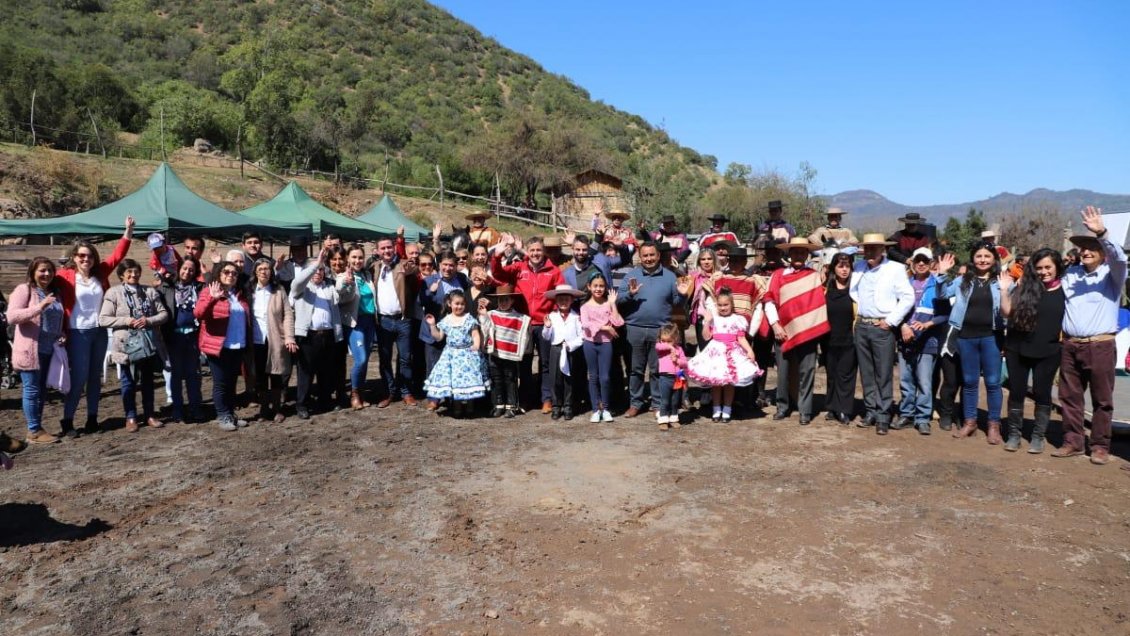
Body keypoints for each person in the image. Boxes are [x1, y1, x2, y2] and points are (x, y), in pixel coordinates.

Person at [1052, 206, 1127, 464]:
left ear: (1102, 253)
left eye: (1091, 247)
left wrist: (1103, 232)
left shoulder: (1112, 275)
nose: (1085, 251)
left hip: (1100, 345)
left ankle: (1099, 446)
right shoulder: (1071, 275)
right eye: (1082, 247)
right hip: (1071, 344)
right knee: (1069, 396)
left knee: (1102, 399)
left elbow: (1120, 259)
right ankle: (1073, 441)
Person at [56, 216, 134, 436]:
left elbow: (118, 256)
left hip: (99, 331)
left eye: (89, 255)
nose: (85, 259)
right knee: (79, 378)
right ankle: (68, 421)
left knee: (95, 378)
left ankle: (92, 419)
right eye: (81, 255)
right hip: (76, 332)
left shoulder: (100, 273)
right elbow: (41, 281)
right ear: (74, 257)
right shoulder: (64, 276)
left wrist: (128, 231)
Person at [999, 248, 1065, 453]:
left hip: (1049, 350)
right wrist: (1003, 291)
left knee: (1042, 392)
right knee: (1017, 390)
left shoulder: (1067, 290)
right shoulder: (1024, 286)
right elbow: (1007, 312)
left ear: (1057, 267)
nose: (1044, 272)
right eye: (1039, 268)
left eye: (1048, 267)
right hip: (1017, 348)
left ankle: (1038, 435)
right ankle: (1014, 434)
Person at [938, 244, 1006, 442]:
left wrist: (1006, 290)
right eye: (978, 256)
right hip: (966, 337)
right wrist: (942, 274)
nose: (983, 260)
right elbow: (943, 295)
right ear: (972, 258)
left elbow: (1010, 307)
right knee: (969, 382)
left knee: (993, 382)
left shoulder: (1001, 281)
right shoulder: (962, 280)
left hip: (991, 337)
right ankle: (970, 422)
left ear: (994, 259)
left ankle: (994, 425)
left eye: (987, 256)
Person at [491, 234, 564, 413]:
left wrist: (554, 315)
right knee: (524, 363)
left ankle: (546, 399)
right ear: (527, 252)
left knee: (546, 363)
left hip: (544, 323)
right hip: (523, 323)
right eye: (532, 250)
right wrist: (497, 256)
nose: (535, 253)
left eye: (539, 250)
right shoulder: (519, 268)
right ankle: (525, 399)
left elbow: (560, 294)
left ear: (543, 251)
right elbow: (499, 274)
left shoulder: (553, 271)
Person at [617, 242, 691, 417]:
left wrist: (682, 294)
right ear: (640, 257)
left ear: (658, 256)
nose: (649, 259)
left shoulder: (669, 277)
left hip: (660, 332)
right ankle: (635, 403)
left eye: (652, 255)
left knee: (658, 369)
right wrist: (630, 294)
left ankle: (657, 404)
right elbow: (618, 301)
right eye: (645, 255)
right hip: (634, 328)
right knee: (635, 369)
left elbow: (677, 304)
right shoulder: (631, 276)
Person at [851, 234, 915, 434]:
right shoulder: (859, 267)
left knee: (883, 373)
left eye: (874, 248)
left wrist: (891, 321)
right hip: (862, 325)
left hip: (882, 327)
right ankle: (870, 410)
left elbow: (907, 297)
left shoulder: (895, 269)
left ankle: (883, 415)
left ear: (883, 250)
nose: (870, 252)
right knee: (867, 372)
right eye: (867, 248)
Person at [763, 237, 829, 425]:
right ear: (789, 254)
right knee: (782, 372)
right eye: (795, 252)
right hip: (782, 331)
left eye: (802, 252)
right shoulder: (778, 275)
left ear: (808, 255)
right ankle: (782, 406)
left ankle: (805, 410)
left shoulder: (814, 276)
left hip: (808, 331)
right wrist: (775, 325)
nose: (799, 255)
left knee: (807, 371)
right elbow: (769, 300)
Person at [100, 259, 169, 433]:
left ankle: (150, 414)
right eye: (129, 272)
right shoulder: (114, 293)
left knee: (147, 381)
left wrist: (148, 320)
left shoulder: (149, 291)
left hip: (147, 344)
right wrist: (127, 321)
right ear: (122, 275)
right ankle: (130, 416)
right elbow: (103, 319)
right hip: (126, 346)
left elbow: (163, 314)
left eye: (136, 271)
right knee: (128, 382)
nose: (133, 275)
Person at [8, 257, 66, 444]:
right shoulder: (24, 290)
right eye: (42, 270)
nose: (47, 274)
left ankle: (37, 428)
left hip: (49, 349)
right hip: (29, 349)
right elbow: (12, 317)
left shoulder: (54, 292)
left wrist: (61, 332)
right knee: (31, 390)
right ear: (33, 272)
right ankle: (34, 430)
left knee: (41, 390)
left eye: (50, 270)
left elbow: (56, 318)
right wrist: (40, 306)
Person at [291, 253, 351, 420]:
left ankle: (324, 400)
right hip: (309, 336)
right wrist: (315, 264)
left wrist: (348, 283)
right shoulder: (302, 288)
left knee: (326, 370)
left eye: (321, 270)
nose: (318, 272)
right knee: (305, 372)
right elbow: (297, 283)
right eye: (315, 270)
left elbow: (344, 294)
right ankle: (301, 404)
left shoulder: (329, 287)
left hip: (329, 335)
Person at [895, 248, 948, 435]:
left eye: (925, 260)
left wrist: (927, 325)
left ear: (931, 263)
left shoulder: (938, 284)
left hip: (928, 341)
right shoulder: (904, 284)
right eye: (918, 260)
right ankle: (906, 414)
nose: (921, 263)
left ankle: (923, 417)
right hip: (905, 339)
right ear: (912, 262)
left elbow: (944, 314)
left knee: (924, 382)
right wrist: (903, 325)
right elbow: (895, 309)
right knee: (906, 379)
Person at [687, 287, 760, 423]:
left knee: (729, 383)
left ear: (731, 304)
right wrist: (707, 321)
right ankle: (716, 409)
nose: (723, 308)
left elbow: (741, 338)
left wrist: (750, 351)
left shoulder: (738, 319)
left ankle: (727, 410)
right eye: (720, 305)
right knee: (716, 383)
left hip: (732, 352)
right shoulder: (713, 319)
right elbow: (706, 336)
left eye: (725, 305)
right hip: (716, 353)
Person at [195, 261, 252, 431]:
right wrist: (212, 298)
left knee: (231, 382)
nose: (230, 275)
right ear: (219, 274)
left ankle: (231, 414)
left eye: (234, 273)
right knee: (220, 383)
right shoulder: (208, 291)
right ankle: (222, 415)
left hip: (237, 345)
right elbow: (199, 314)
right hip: (218, 346)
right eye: (226, 272)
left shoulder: (239, 295)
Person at [423, 289, 488, 418]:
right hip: (451, 355)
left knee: (468, 380)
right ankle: (457, 407)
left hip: (467, 354)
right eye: (456, 304)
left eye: (462, 304)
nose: (459, 306)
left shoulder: (469, 318)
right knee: (455, 381)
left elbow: (475, 334)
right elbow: (439, 337)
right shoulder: (446, 320)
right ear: (450, 304)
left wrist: (476, 345)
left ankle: (470, 406)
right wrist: (432, 325)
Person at [419, 251, 471, 409]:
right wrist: (431, 291)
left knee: (453, 365)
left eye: (451, 265)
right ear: (439, 265)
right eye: (445, 265)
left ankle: (451, 396)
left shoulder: (462, 279)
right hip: (434, 329)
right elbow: (421, 300)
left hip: (456, 331)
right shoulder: (429, 280)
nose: (448, 268)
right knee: (434, 364)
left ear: (456, 266)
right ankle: (433, 398)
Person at [248, 258, 297, 423]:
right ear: (255, 271)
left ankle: (277, 408)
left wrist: (289, 337)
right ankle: (263, 409)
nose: (264, 271)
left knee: (276, 375)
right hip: (256, 340)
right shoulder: (249, 291)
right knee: (260, 376)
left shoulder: (278, 290)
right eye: (260, 268)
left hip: (275, 338)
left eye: (267, 269)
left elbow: (288, 315)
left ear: (272, 271)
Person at [373, 237, 419, 408]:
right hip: (383, 321)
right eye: (382, 248)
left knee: (405, 358)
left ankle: (406, 392)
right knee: (385, 359)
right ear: (377, 251)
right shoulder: (375, 267)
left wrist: (408, 269)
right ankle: (388, 392)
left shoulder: (403, 264)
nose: (386, 251)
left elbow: (412, 267)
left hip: (402, 320)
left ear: (394, 248)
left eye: (389, 247)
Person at [157, 257, 205, 423]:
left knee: (194, 374)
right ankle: (177, 409)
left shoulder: (199, 288)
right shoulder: (168, 287)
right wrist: (163, 279)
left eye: (191, 269)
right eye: (185, 268)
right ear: (179, 269)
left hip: (193, 336)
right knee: (175, 375)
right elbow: (157, 296)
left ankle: (195, 407)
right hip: (174, 336)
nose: (187, 272)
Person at [481, 285, 530, 418]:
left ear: (512, 301)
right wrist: (483, 316)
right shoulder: (491, 315)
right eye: (500, 300)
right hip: (495, 353)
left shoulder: (519, 318)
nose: (503, 303)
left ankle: (511, 406)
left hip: (510, 355)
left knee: (510, 379)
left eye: (506, 300)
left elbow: (523, 335)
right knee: (496, 379)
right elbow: (484, 328)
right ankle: (498, 405)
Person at [580, 272, 623, 423]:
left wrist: (613, 304)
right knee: (593, 377)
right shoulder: (585, 306)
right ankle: (595, 409)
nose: (598, 289)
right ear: (589, 287)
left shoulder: (607, 304)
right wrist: (605, 327)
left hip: (605, 344)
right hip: (590, 343)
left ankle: (605, 408)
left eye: (601, 286)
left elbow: (618, 323)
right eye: (595, 286)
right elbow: (586, 324)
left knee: (605, 377)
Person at [341, 243, 377, 409]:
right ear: (348, 259)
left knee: (366, 358)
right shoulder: (344, 277)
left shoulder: (367, 275)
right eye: (354, 257)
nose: (357, 260)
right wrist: (346, 284)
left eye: (360, 257)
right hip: (355, 323)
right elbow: (340, 294)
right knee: (360, 359)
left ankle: (361, 394)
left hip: (370, 321)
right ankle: (354, 394)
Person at [823, 252, 857, 425]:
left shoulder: (856, 290)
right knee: (831, 374)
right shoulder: (825, 289)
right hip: (828, 340)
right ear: (833, 268)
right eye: (840, 266)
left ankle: (844, 409)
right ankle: (831, 407)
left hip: (849, 340)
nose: (844, 270)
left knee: (845, 375)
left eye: (847, 266)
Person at [543, 285, 586, 420]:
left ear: (572, 300)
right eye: (560, 299)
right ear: (556, 301)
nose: (563, 302)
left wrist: (571, 345)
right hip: (556, 349)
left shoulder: (576, 317)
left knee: (570, 379)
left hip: (570, 350)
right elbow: (546, 336)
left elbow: (582, 336)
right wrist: (548, 327)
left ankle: (568, 406)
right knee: (555, 378)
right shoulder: (552, 316)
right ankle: (556, 405)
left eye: (566, 299)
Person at [326, 246, 353, 408]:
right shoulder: (324, 275)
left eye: (340, 259)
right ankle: (327, 393)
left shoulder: (348, 276)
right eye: (334, 259)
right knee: (327, 361)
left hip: (342, 323)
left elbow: (345, 299)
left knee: (339, 361)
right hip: (326, 324)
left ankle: (340, 393)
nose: (337, 262)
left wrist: (345, 285)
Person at [654, 323, 689, 429]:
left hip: (677, 377)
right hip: (665, 378)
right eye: (663, 340)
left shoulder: (679, 349)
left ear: (676, 339)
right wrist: (669, 346)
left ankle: (674, 418)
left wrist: (677, 360)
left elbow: (685, 363)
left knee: (675, 401)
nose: (665, 343)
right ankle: (663, 419)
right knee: (665, 400)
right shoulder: (661, 348)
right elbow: (658, 346)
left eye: (669, 341)